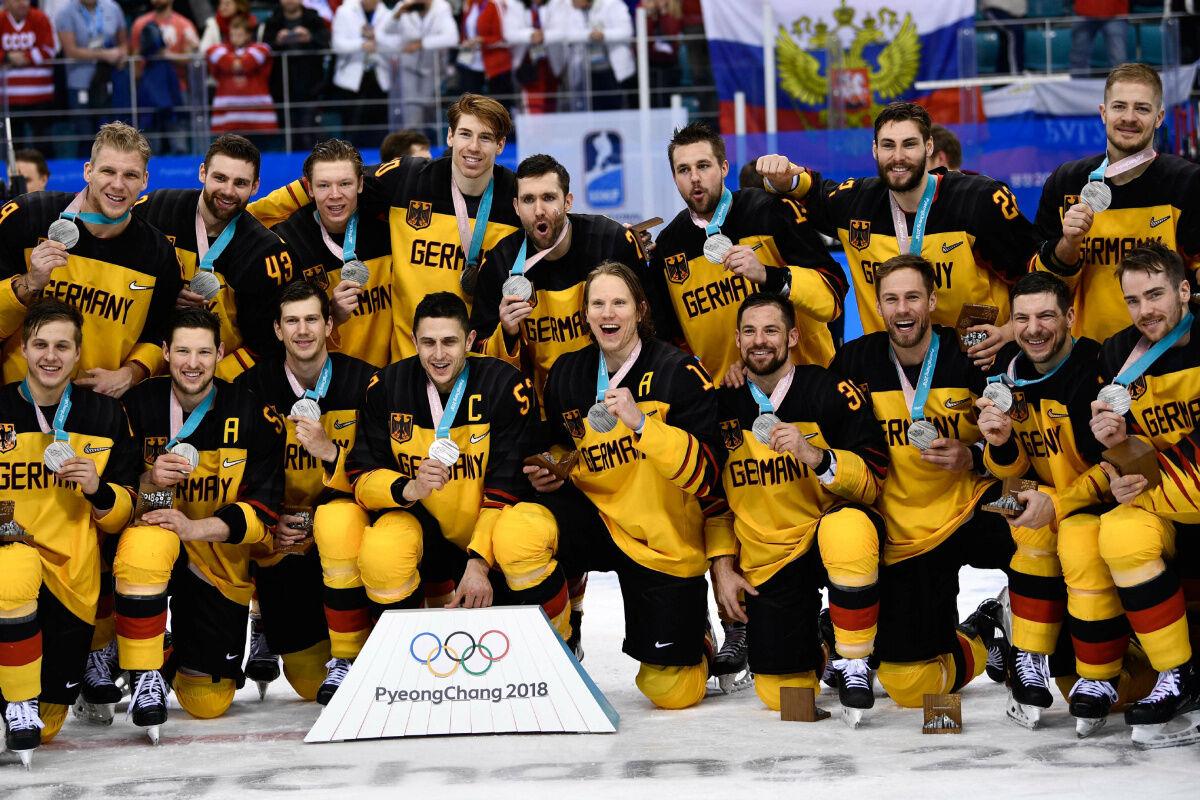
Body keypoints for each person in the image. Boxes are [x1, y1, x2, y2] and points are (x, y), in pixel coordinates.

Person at [316, 292, 568, 704]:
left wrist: (478, 562)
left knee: (523, 533)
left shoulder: (506, 385)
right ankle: (395, 662)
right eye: (428, 342)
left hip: (486, 537)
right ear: (414, 342)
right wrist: (408, 488)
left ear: (469, 340)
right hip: (423, 526)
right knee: (381, 549)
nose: (438, 354)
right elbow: (360, 474)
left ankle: (560, 650)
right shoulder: (387, 386)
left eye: (449, 342)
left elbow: (507, 485)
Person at [829, 254, 1039, 711]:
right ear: (879, 306)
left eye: (912, 297)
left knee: (1037, 522)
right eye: (891, 299)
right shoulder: (853, 361)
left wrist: (974, 455)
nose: (902, 310)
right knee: (910, 684)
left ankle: (1033, 642)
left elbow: (1027, 442)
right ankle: (985, 634)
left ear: (931, 301)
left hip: (972, 502)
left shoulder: (972, 354)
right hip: (905, 533)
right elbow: (806, 402)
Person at [529, 261, 725, 710]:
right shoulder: (566, 373)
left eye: (618, 302)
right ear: (585, 314)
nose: (607, 312)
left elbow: (708, 475)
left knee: (671, 691)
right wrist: (553, 466)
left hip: (658, 539)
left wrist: (642, 425)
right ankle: (558, 645)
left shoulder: (679, 371)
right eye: (597, 303)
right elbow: (560, 446)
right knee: (523, 529)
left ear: (639, 310)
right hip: (595, 519)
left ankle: (696, 638)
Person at [707, 293, 888, 724]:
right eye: (749, 331)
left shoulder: (829, 389)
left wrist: (819, 458)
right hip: (770, 554)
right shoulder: (722, 403)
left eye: (771, 330)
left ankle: (854, 660)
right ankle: (824, 641)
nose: (760, 341)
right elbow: (712, 497)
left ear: (792, 336)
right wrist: (722, 566)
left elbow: (873, 481)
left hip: (830, 536)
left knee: (846, 530)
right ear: (736, 339)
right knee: (780, 693)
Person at [757, 102, 1038, 368]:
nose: (898, 157)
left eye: (910, 144)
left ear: (929, 147)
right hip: (892, 374)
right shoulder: (857, 204)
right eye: (889, 145)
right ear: (875, 150)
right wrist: (782, 177)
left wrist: (1009, 331)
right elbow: (812, 192)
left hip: (975, 365)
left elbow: (1038, 276)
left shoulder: (978, 201)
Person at [112, 308, 284, 742]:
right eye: (183, 350)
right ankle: (145, 665)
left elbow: (262, 513)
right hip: (151, 539)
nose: (193, 363)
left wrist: (193, 528)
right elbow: (110, 500)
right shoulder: (135, 407)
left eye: (204, 352)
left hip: (215, 557)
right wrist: (149, 480)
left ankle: (167, 649)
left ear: (220, 353)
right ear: (166, 352)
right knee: (146, 547)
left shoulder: (251, 413)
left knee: (207, 703)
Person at [1065, 243, 1197, 742]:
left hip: (1181, 488)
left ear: (1184, 290)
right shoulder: (1117, 353)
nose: (1146, 311)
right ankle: (1174, 673)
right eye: (1134, 300)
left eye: (1157, 295)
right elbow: (1125, 455)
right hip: (1164, 497)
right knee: (1115, 532)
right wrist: (1116, 451)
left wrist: (1138, 486)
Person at [0, 300, 138, 766]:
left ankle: (47, 692)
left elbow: (123, 515)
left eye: (62, 345)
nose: (50, 356)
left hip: (72, 579)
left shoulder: (105, 416)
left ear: (78, 354)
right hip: (10, 568)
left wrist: (99, 490)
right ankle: (13, 700)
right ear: (23, 348)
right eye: (40, 344)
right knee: (11, 567)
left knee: (50, 724)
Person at [974, 272, 1111, 730]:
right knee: (1025, 521)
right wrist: (999, 445)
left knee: (1077, 535)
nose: (1034, 328)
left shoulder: (1097, 368)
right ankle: (1027, 654)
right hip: (1044, 502)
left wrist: (1061, 504)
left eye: (1046, 316)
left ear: (1070, 316)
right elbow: (1011, 472)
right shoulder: (1003, 375)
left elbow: (1118, 468)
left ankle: (1097, 673)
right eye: (1023, 318)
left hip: (1104, 504)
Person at [233, 281, 376, 702]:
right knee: (310, 682)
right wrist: (269, 522)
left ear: (329, 323)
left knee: (338, 525)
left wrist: (330, 453)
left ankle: (352, 646)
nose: (302, 330)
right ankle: (264, 612)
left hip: (345, 531)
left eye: (312, 319)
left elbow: (380, 471)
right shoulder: (249, 389)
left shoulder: (366, 383)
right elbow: (236, 477)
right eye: (292, 321)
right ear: (277, 330)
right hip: (284, 540)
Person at [652, 122, 846, 382]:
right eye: (683, 170)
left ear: (723, 168)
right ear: (674, 177)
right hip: (730, 402)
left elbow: (832, 295)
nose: (694, 178)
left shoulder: (769, 211)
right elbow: (671, 341)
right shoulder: (668, 245)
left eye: (703, 166)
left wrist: (769, 276)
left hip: (807, 386)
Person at [0, 121, 182, 393]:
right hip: (18, 405)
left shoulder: (159, 253)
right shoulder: (26, 218)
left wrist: (131, 373)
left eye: (130, 175)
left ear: (145, 180)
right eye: (108, 171)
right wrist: (28, 284)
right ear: (88, 171)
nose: (118, 185)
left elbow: (160, 333)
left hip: (100, 414)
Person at [1032, 63, 1200, 345]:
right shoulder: (1067, 183)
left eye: (1142, 109)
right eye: (1119, 106)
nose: (1129, 118)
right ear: (1103, 112)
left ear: (1159, 118)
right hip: (1088, 358)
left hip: (1169, 356)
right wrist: (1069, 244)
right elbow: (1040, 287)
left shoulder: (1187, 182)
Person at [470, 152, 645, 405]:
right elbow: (479, 357)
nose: (539, 210)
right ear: (516, 207)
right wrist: (506, 332)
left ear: (568, 202)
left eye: (549, 198)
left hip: (619, 401)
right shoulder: (499, 263)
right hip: (543, 411)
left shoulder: (611, 241)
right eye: (529, 200)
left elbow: (651, 325)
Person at [131, 134, 296, 380]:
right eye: (220, 178)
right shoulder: (155, 209)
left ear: (255, 186)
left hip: (217, 381)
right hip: (144, 372)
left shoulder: (267, 252)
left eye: (240, 183)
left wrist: (208, 378)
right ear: (202, 173)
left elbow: (264, 345)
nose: (228, 191)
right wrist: (165, 296)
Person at [274, 139, 396, 368]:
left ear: (360, 183)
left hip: (389, 375)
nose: (335, 194)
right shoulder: (289, 241)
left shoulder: (388, 226)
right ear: (309, 189)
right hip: (331, 378)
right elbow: (286, 335)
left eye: (345, 184)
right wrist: (332, 315)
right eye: (323, 186)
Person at [55, 0, 129, 158]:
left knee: (110, 131)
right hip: (79, 81)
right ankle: (85, 171)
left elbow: (123, 43)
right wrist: (103, 55)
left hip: (108, 79)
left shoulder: (113, 8)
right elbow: (70, 51)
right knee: (84, 132)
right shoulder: (65, 13)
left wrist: (122, 55)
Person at [331, 0, 402, 149]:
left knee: (380, 130)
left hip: (381, 80)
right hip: (350, 81)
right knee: (351, 130)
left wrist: (376, 38)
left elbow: (397, 45)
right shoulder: (344, 11)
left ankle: (381, 166)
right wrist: (361, 44)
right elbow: (337, 44)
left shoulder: (390, 15)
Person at [262, 0, 329, 150]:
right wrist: (277, 41)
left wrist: (309, 37)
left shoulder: (314, 18)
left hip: (310, 87)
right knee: (288, 136)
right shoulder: (273, 21)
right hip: (281, 88)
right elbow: (263, 48)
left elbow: (326, 43)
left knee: (307, 132)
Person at [544, 0, 634, 111]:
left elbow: (626, 31)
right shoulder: (569, 8)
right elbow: (564, 33)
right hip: (585, 72)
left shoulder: (613, 4)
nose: (572, 2)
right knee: (590, 111)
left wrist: (604, 35)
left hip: (612, 71)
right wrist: (587, 35)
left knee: (614, 109)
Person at [387, 0, 458, 136]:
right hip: (408, 66)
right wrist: (397, 15)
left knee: (425, 104)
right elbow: (385, 32)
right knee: (411, 108)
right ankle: (412, 144)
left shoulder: (442, 7)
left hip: (433, 68)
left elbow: (452, 37)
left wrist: (421, 44)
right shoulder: (403, 6)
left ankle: (422, 140)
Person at [0, 0, 57, 155]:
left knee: (43, 145)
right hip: (8, 99)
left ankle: (46, 176)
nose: (22, 3)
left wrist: (23, 57)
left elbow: (50, 49)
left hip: (40, 96)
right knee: (13, 147)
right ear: (6, 2)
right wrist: (7, 57)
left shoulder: (40, 18)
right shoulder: (1, 19)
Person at [207, 16, 278, 137]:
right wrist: (236, 63)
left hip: (258, 119)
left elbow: (248, 62)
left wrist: (234, 64)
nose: (235, 38)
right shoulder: (218, 50)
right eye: (232, 34)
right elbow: (210, 51)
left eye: (239, 34)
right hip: (227, 119)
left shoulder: (261, 48)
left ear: (248, 35)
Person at [1069, 1, 1128, 75]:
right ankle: (1076, 85)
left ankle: (1121, 85)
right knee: (1079, 57)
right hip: (1084, 12)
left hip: (1115, 13)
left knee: (1118, 58)